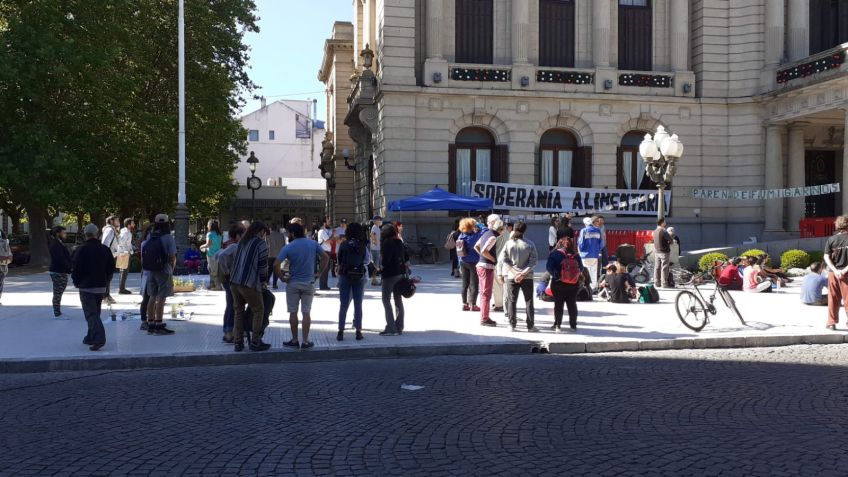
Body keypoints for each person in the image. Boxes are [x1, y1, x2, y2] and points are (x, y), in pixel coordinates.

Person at [276, 222, 329, 349]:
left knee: (293, 312)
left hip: (293, 283)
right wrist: (319, 273)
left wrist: (282, 278)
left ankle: (295, 340)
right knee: (306, 312)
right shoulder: (313, 244)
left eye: (289, 233)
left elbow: (275, 264)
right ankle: (305, 341)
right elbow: (325, 257)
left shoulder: (289, 247)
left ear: (293, 234)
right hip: (309, 282)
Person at [72, 224, 115, 351]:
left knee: (91, 314)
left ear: (85, 235)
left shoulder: (81, 249)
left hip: (86, 286)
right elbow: (111, 268)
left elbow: (76, 268)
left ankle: (98, 338)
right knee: (95, 313)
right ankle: (90, 337)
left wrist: (76, 282)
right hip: (100, 286)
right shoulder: (105, 249)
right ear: (97, 234)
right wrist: (106, 282)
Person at [230, 221, 271, 352]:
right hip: (248, 283)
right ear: (260, 231)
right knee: (259, 309)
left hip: (234, 282)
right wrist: (263, 281)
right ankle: (255, 341)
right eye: (264, 233)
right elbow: (263, 267)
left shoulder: (241, 241)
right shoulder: (261, 243)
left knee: (238, 311)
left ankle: (238, 342)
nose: (264, 235)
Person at [499, 221, 538, 332]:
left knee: (512, 301)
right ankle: (530, 326)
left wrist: (514, 272)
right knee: (529, 301)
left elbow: (503, 260)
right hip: (527, 276)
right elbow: (533, 261)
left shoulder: (508, 243)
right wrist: (523, 273)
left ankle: (512, 324)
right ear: (525, 230)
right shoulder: (530, 244)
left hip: (512, 276)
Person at [143, 214, 177, 335]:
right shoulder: (168, 237)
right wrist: (171, 269)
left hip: (151, 270)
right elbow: (172, 256)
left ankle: (150, 323)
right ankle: (159, 324)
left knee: (152, 296)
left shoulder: (150, 236)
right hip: (164, 269)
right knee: (161, 297)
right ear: (168, 224)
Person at [546, 231, 585, 332]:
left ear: (560, 243)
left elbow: (549, 267)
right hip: (573, 284)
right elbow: (581, 268)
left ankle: (557, 325)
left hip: (558, 283)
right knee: (572, 304)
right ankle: (573, 326)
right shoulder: (576, 255)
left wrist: (557, 276)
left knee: (558, 304)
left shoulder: (555, 254)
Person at [337, 222, 370, 341]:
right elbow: (367, 261)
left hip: (345, 275)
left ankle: (340, 331)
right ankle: (358, 331)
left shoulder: (344, 244)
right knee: (358, 303)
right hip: (359, 275)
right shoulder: (363, 245)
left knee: (344, 304)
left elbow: (339, 260)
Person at [215, 224, 245, 343]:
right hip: (230, 280)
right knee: (232, 305)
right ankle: (228, 333)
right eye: (243, 234)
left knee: (231, 304)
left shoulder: (229, 243)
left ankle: (229, 331)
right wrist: (227, 272)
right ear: (238, 235)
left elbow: (218, 255)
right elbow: (221, 256)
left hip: (228, 280)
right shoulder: (233, 246)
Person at [379, 223, 409, 336]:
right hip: (400, 273)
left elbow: (386, 260)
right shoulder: (399, 241)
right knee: (398, 300)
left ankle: (391, 327)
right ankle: (399, 326)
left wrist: (380, 267)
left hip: (389, 275)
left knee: (386, 300)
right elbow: (406, 256)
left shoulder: (387, 243)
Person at [475, 214, 502, 327]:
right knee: (486, 294)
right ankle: (484, 318)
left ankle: (484, 317)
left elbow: (476, 247)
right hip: (486, 267)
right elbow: (483, 251)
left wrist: (483, 258)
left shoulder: (485, 233)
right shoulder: (492, 237)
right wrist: (493, 259)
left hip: (482, 265)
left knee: (484, 293)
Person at [825, 215, 848, 330]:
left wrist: (835, 270)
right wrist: (844, 270)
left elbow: (826, 257)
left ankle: (831, 322)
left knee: (832, 298)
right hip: (846, 273)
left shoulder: (831, 239)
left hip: (832, 273)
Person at [456, 218, 482, 311]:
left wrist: (459, 264)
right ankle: (473, 304)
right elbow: (483, 230)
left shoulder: (461, 236)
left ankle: (464, 304)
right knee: (474, 284)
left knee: (464, 283)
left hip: (463, 262)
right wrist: (479, 226)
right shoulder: (476, 236)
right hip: (473, 262)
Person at [48, 226, 72, 319]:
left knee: (59, 292)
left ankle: (58, 312)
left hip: (61, 271)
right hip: (57, 271)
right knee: (57, 292)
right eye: (64, 233)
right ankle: (57, 314)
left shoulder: (59, 243)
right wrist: (69, 267)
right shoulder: (55, 244)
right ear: (58, 234)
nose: (66, 234)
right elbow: (60, 259)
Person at [577, 216, 603, 291]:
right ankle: (594, 287)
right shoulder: (598, 230)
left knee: (586, 272)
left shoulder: (584, 230)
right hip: (595, 254)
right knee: (594, 271)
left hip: (585, 255)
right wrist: (597, 251)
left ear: (585, 223)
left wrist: (580, 251)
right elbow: (601, 243)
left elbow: (581, 243)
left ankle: (587, 288)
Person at [493, 221, 513, 314]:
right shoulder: (508, 234)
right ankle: (502, 304)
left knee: (497, 285)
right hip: (504, 262)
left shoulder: (496, 235)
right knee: (503, 285)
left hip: (496, 261)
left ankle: (499, 304)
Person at [137, 223, 154, 330]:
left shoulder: (145, 243)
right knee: (148, 298)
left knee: (150, 298)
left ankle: (149, 319)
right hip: (149, 273)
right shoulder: (146, 243)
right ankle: (145, 320)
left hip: (150, 273)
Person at [101, 215, 120, 304]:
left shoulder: (112, 230)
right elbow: (105, 244)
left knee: (109, 277)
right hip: (108, 257)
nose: (118, 222)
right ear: (112, 221)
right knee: (107, 278)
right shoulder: (109, 230)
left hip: (111, 256)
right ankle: (105, 296)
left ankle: (106, 295)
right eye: (117, 220)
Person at [200, 220, 223, 289]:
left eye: (207, 224)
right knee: (211, 268)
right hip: (218, 254)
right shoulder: (219, 234)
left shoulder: (209, 234)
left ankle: (218, 286)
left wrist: (201, 246)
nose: (207, 226)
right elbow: (220, 244)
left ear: (210, 226)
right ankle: (212, 284)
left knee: (213, 270)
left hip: (211, 254)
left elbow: (208, 244)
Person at [653, 218, 673, 288]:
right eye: (664, 222)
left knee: (657, 267)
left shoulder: (655, 231)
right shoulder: (663, 231)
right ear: (662, 223)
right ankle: (664, 283)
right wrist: (670, 236)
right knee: (664, 267)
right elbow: (671, 240)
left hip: (657, 251)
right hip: (664, 252)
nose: (665, 223)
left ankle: (656, 282)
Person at [117, 218, 135, 294]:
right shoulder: (125, 232)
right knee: (124, 272)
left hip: (124, 253)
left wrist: (132, 249)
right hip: (124, 253)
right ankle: (121, 289)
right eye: (133, 223)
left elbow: (127, 243)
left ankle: (122, 288)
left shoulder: (127, 232)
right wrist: (127, 251)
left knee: (123, 272)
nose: (134, 224)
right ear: (129, 225)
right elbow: (121, 243)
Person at [267, 223, 287, 289]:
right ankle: (275, 284)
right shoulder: (281, 235)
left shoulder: (267, 236)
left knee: (269, 269)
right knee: (276, 269)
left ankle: (266, 282)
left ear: (271, 228)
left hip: (270, 254)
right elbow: (284, 245)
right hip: (279, 254)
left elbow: (266, 245)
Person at [317, 218, 335, 290]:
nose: (329, 222)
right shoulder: (322, 231)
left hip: (326, 251)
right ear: (324, 223)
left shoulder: (325, 231)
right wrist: (333, 235)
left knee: (326, 269)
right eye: (328, 221)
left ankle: (324, 285)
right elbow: (328, 241)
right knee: (324, 269)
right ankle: (322, 286)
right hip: (324, 252)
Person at [370, 215, 383, 286]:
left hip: (377, 249)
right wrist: (376, 243)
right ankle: (374, 280)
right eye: (380, 220)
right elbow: (372, 235)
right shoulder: (375, 227)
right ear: (377, 221)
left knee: (377, 265)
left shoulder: (377, 228)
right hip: (375, 249)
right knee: (376, 265)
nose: (381, 222)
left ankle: (374, 280)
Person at [0, 230, 8, 305]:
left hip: (2, 266)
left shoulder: (4, 242)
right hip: (2, 266)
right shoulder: (5, 242)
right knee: (1, 283)